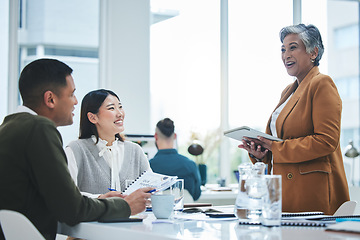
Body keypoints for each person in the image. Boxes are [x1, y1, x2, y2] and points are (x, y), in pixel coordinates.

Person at [0, 59, 152, 240]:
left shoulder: (9, 127)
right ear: (50, 99)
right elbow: (71, 209)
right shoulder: (39, 129)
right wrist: (125, 206)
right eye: (71, 94)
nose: (75, 101)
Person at [239, 24, 350, 215]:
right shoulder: (288, 92)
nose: (285, 55)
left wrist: (276, 148)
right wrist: (263, 153)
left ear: (313, 52)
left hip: (313, 192)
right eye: (283, 49)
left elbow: (326, 141)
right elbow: (280, 142)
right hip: (285, 190)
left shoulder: (321, 83)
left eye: (293, 47)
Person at [65, 89, 151, 197]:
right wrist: (100, 198)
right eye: (111, 108)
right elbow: (65, 195)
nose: (120, 113)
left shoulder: (135, 151)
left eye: (120, 107)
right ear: (93, 117)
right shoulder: (75, 150)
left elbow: (151, 190)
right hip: (93, 215)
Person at [149, 118, 201, 201]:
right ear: (175, 136)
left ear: (156, 136)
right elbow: (196, 194)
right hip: (187, 212)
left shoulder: (149, 166)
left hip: (157, 213)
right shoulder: (190, 164)